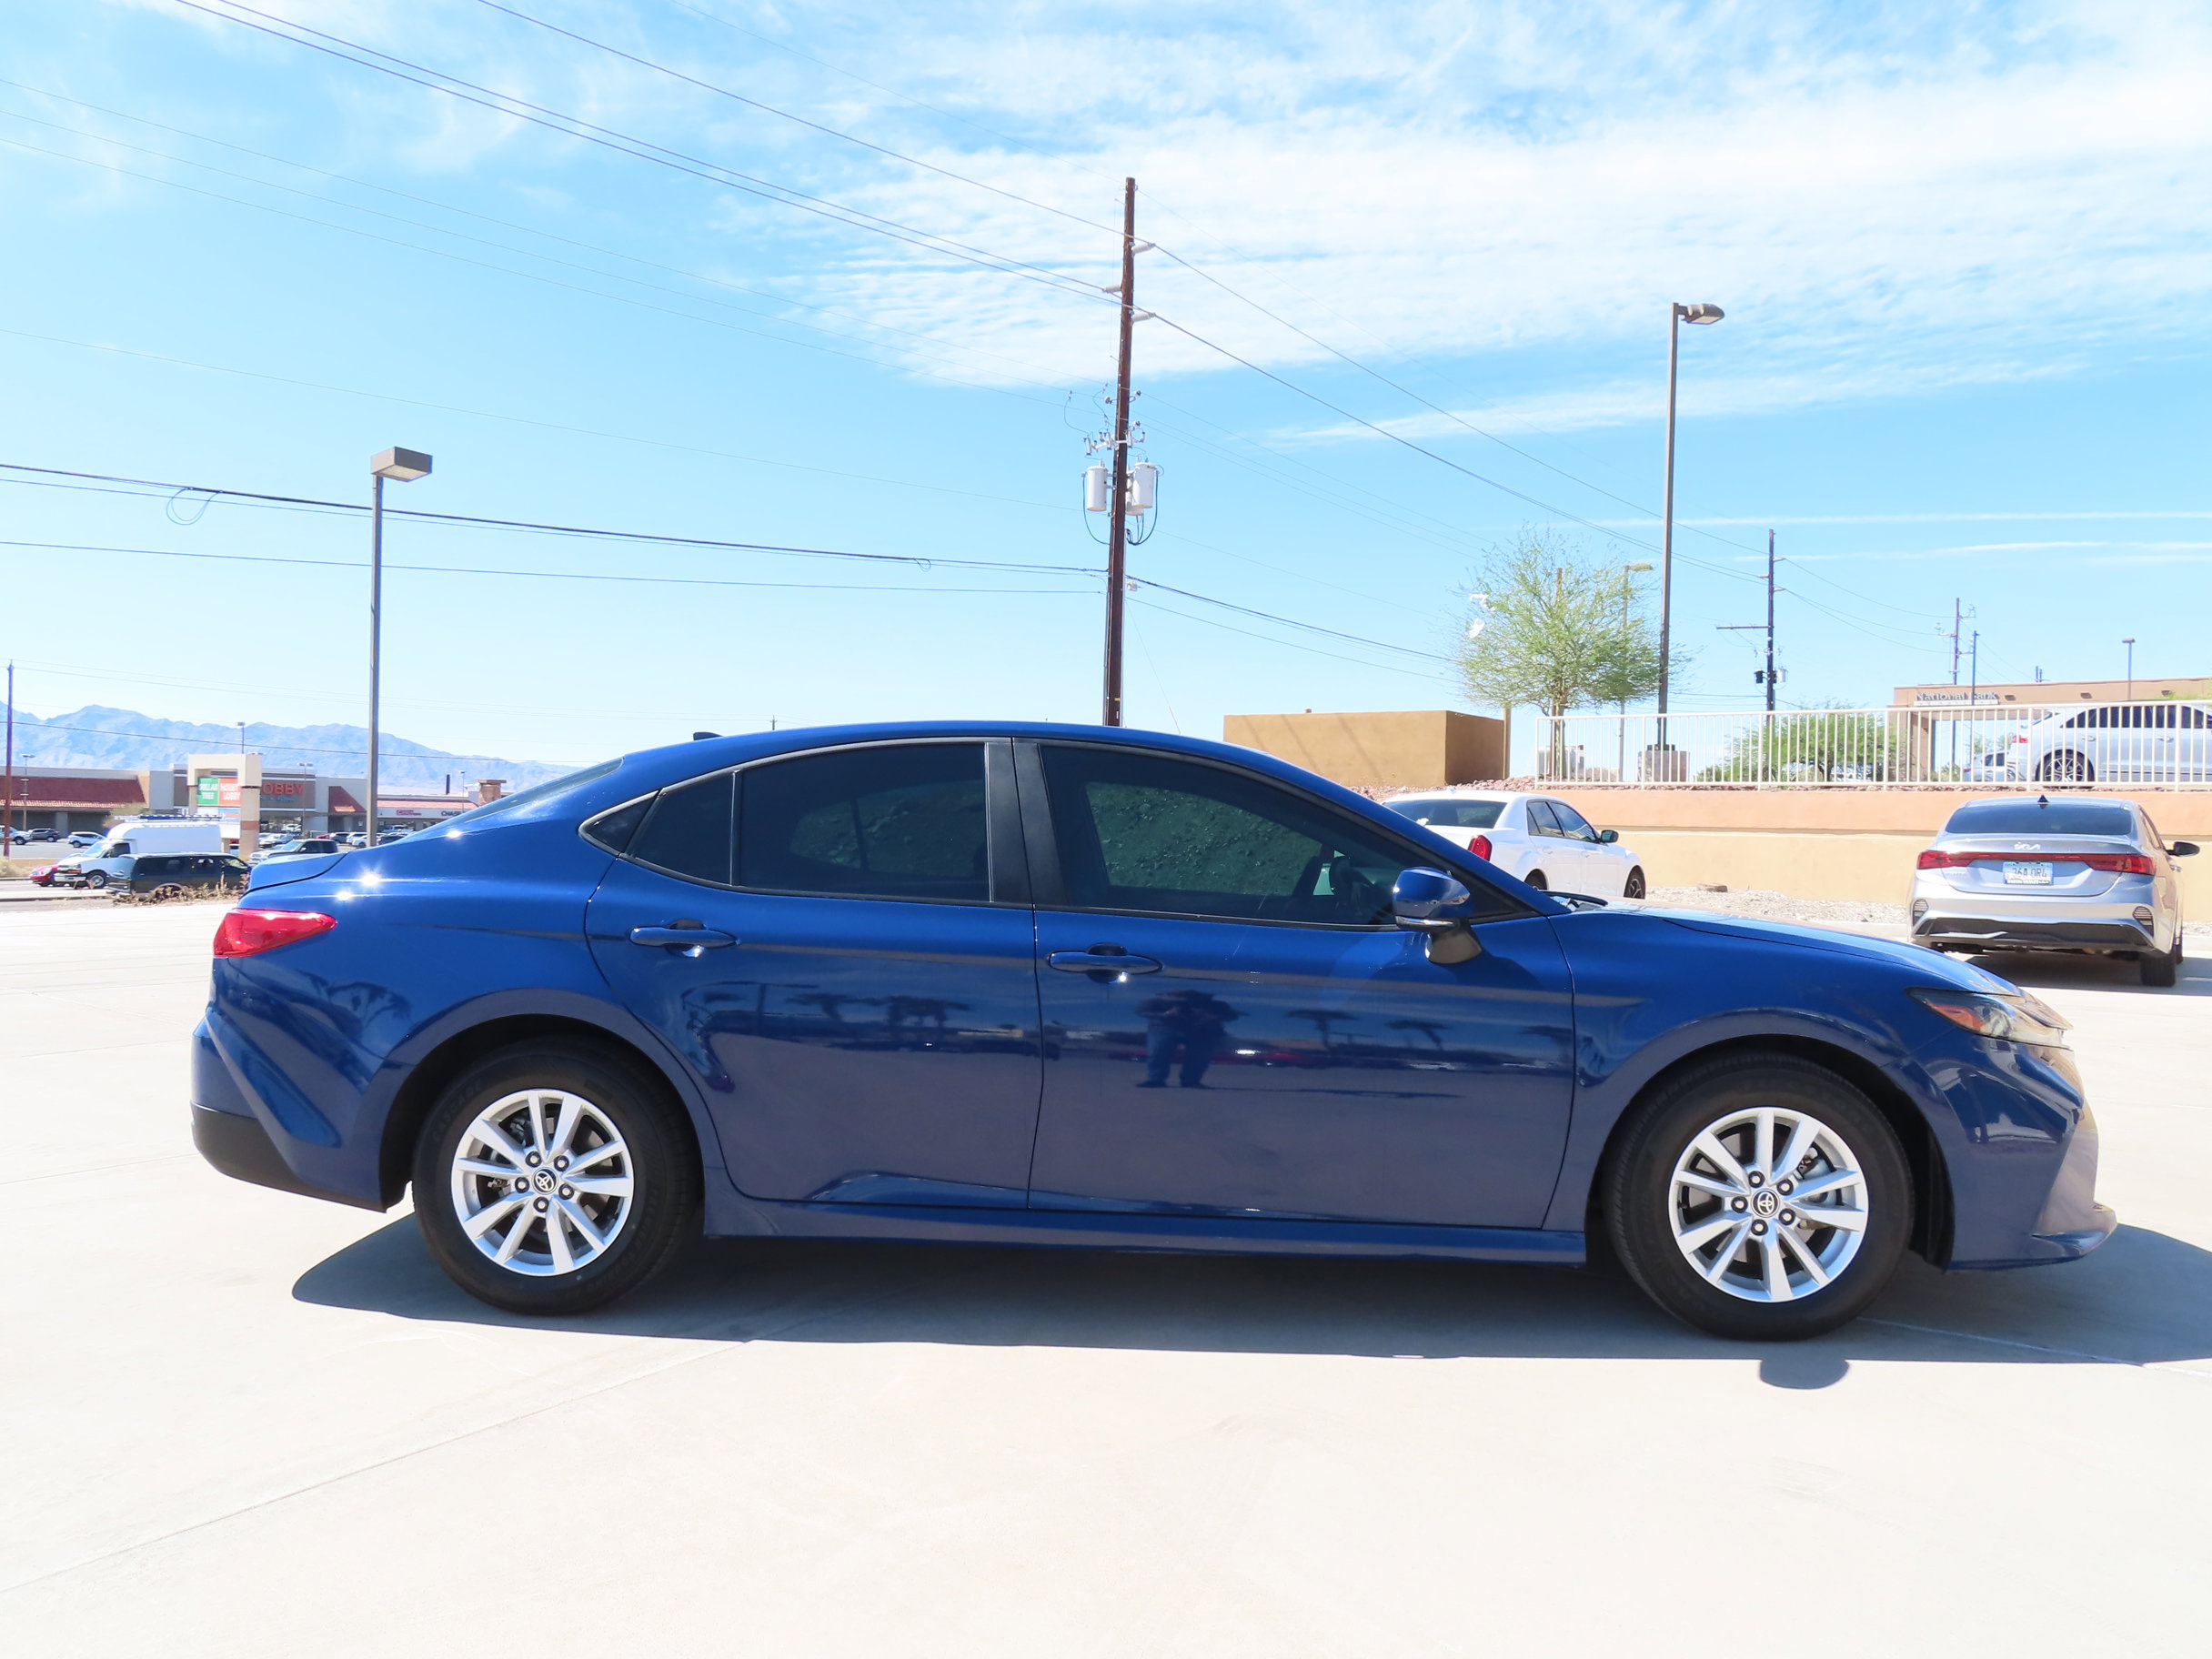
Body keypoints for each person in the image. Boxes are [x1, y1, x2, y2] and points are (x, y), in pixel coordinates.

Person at [1136, 988, 1240, 1088]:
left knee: (1199, 1056)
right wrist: (1164, 1014)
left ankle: (1191, 1081)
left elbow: (1232, 1015)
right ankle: (1156, 1079)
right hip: (1163, 1028)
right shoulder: (1156, 1002)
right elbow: (1141, 1011)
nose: (1184, 1004)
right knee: (1158, 1052)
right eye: (1178, 1002)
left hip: (1201, 1030)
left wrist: (1212, 1016)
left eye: (1192, 1002)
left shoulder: (1216, 1005)